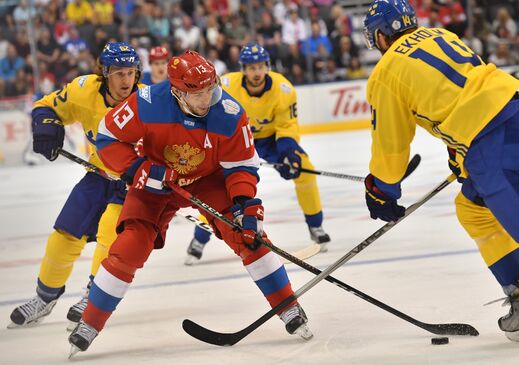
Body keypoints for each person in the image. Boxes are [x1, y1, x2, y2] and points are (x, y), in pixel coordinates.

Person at [68, 50, 313, 355]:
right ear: (176, 92)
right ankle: (90, 323)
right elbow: (108, 137)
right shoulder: (146, 102)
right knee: (129, 246)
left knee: (250, 238)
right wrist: (136, 169)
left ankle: (288, 307)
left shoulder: (228, 111)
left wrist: (244, 203)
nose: (207, 99)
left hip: (208, 180)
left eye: (211, 89)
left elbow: (242, 166)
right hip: (157, 180)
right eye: (198, 94)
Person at [362, 0, 519, 343]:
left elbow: (391, 146)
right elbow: (464, 89)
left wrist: (382, 190)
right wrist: (461, 151)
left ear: (380, 35)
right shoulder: (437, 33)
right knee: (475, 211)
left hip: (496, 145)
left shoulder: (386, 71)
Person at [8, 42, 142, 330]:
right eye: (118, 73)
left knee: (110, 234)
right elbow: (46, 106)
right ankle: (44, 298)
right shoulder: (84, 90)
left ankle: (94, 297)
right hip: (98, 174)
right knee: (64, 233)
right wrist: (47, 126)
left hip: (132, 184)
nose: (126, 80)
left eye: (130, 72)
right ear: (104, 73)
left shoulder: (147, 103)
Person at [184, 43, 331, 265]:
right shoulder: (225, 85)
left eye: (260, 67)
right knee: (218, 189)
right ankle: (199, 239)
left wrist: (288, 152)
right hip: (234, 139)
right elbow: (209, 118)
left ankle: (315, 225)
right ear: (243, 69)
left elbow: (287, 125)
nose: (256, 72)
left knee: (305, 171)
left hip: (270, 140)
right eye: (251, 68)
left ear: (268, 67)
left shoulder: (283, 89)